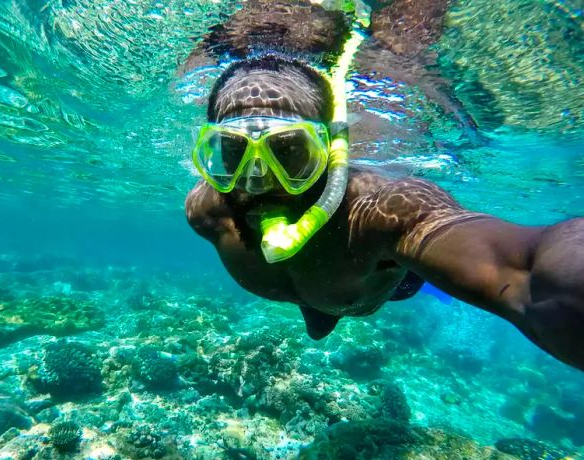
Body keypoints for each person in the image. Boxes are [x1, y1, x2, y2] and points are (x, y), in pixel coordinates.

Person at [184, 0, 584, 371]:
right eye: (234, 151)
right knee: (319, 322)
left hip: (386, 282)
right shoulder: (206, 212)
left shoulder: (381, 212)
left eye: (287, 150)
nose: (259, 179)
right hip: (332, 295)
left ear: (331, 151)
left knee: (401, 284)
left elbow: (525, 272)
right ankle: (322, 311)